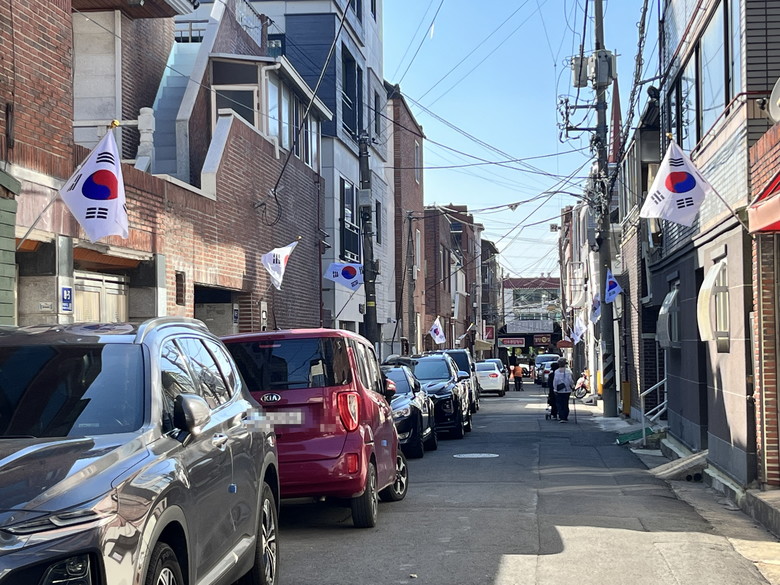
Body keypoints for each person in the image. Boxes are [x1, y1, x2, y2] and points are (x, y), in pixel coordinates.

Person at [552, 357, 574, 423]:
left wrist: (555, 389)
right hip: (567, 390)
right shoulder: (568, 371)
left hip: (559, 390)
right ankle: (565, 417)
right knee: (565, 403)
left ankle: (562, 417)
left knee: (559, 403)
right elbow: (570, 380)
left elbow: (555, 381)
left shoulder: (556, 371)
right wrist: (573, 386)